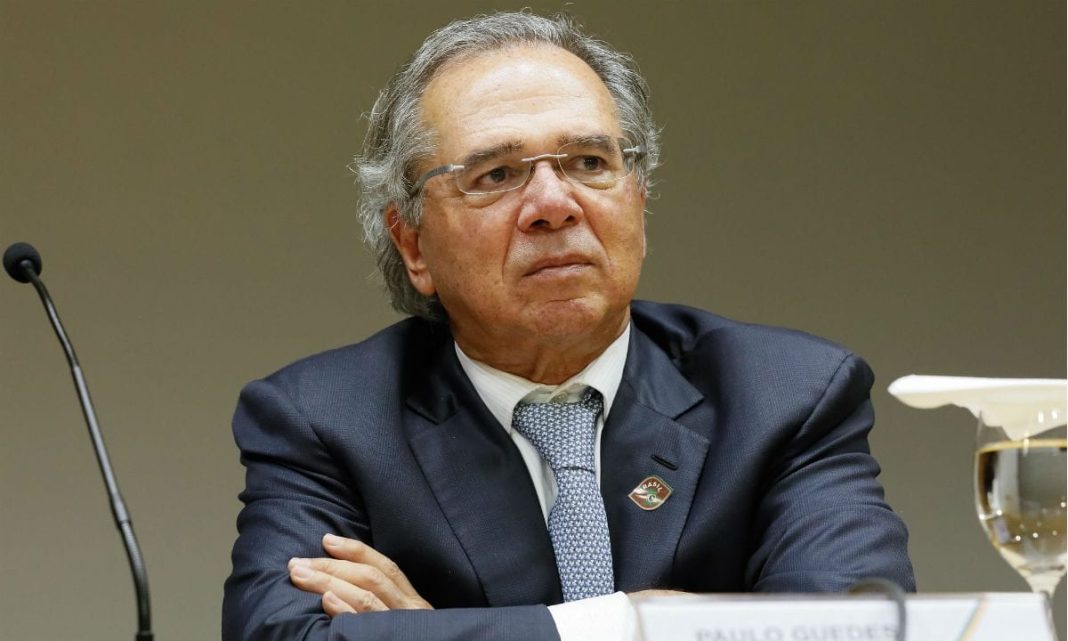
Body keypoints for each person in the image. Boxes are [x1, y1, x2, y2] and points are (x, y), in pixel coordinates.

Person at [222, 11, 914, 641]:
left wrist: (435, 634)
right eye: (496, 174)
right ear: (413, 244)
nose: (554, 204)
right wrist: (635, 624)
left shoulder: (785, 395)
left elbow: (858, 633)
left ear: (638, 199)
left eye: (589, 163)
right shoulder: (326, 420)